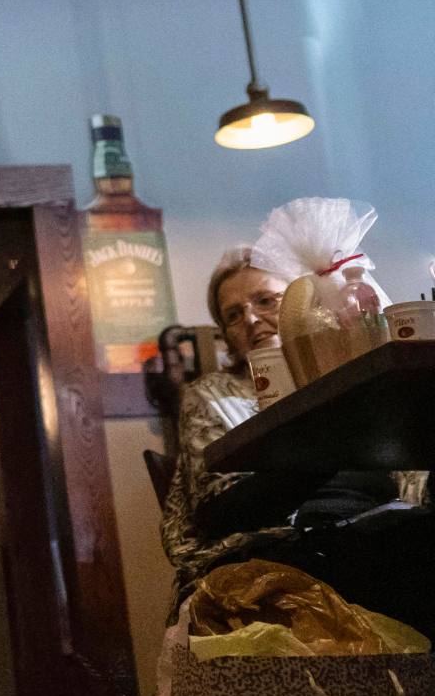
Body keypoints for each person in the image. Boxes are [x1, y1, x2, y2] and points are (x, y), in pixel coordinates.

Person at [163, 246, 428, 614]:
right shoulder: (211, 395)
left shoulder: (351, 376)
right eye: (234, 315)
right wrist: (328, 439)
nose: (252, 320)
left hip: (387, 524)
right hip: (287, 545)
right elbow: (220, 511)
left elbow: (416, 478)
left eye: (266, 301)